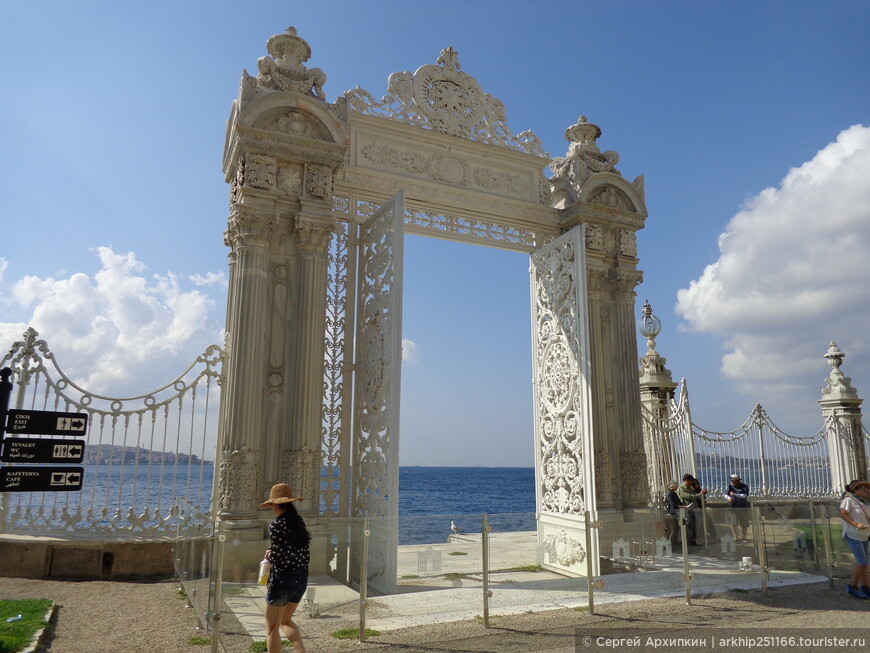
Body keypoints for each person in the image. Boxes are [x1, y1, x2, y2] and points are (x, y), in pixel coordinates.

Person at [261, 483, 310, 652]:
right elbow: (298, 551)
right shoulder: (299, 522)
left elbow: (280, 555)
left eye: (272, 504)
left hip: (283, 579)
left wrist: (269, 555)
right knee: (285, 621)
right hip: (301, 578)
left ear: (275, 504)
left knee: (272, 627)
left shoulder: (277, 525)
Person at [838, 480, 870, 599]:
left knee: (865, 564)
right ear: (855, 490)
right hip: (853, 534)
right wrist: (856, 524)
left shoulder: (865, 503)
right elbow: (843, 514)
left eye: (866, 488)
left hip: (864, 535)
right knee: (862, 562)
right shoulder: (849, 500)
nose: (866, 490)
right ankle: (853, 586)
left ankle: (866, 587)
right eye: (863, 488)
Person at [664, 480, 697, 546]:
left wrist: (685, 506)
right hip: (674, 511)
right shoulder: (670, 494)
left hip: (678, 510)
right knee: (689, 518)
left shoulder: (673, 493)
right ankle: (690, 539)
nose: (677, 485)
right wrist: (684, 506)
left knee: (691, 514)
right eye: (675, 484)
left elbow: (679, 503)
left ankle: (691, 538)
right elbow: (673, 506)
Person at [726, 473, 751, 543]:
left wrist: (734, 494)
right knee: (734, 523)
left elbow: (744, 496)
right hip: (733, 507)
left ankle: (744, 537)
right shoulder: (730, 487)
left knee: (744, 523)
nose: (732, 483)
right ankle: (735, 537)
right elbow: (726, 495)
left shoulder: (744, 487)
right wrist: (729, 498)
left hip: (742, 507)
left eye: (733, 482)